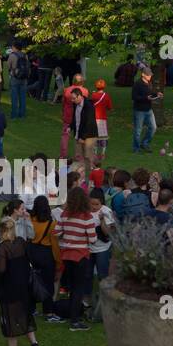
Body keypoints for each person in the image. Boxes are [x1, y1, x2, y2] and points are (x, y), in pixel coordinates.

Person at [0, 218, 41, 346]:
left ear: (1, 230)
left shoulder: (3, 247)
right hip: (23, 284)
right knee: (24, 312)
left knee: (11, 315)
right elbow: (31, 260)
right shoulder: (21, 242)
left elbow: (0, 270)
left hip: (9, 286)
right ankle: (34, 344)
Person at [54, 186, 97, 330]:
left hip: (67, 254)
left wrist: (68, 236)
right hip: (81, 255)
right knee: (79, 288)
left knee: (71, 287)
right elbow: (93, 239)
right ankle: (75, 320)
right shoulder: (87, 216)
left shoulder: (65, 213)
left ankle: (72, 314)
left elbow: (57, 232)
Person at [26, 195, 59, 319]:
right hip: (46, 253)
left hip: (32, 251)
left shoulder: (30, 219)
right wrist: (59, 261)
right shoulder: (52, 223)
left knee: (32, 281)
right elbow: (55, 245)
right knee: (48, 283)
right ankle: (48, 311)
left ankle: (31, 308)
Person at [88, 188, 115, 317]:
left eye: (96, 204)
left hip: (102, 248)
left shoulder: (106, 211)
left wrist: (102, 220)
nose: (93, 207)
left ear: (102, 203)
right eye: (91, 204)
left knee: (102, 275)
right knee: (87, 276)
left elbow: (108, 233)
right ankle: (89, 302)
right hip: (88, 248)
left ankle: (103, 302)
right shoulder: (85, 211)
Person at [132, 67, 163, 153]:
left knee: (153, 127)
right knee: (138, 130)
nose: (150, 76)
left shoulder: (149, 83)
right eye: (148, 75)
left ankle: (145, 143)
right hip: (139, 110)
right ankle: (136, 148)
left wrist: (157, 94)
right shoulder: (137, 84)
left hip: (148, 110)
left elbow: (150, 93)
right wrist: (145, 98)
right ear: (143, 74)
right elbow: (134, 97)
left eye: (150, 75)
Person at [90, 79, 112, 165]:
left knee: (95, 137)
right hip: (102, 118)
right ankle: (102, 153)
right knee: (103, 137)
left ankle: (95, 153)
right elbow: (109, 107)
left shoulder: (93, 95)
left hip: (94, 118)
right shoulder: (106, 96)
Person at [7, 42, 30, 119]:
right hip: (24, 78)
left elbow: (8, 66)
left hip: (15, 77)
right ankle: (22, 114)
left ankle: (14, 115)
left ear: (15, 47)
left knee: (14, 97)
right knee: (22, 97)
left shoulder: (12, 55)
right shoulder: (25, 55)